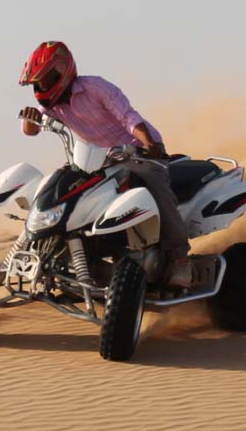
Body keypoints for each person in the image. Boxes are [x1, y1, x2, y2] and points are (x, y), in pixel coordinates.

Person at [16, 41, 196, 288]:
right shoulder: (54, 105)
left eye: (45, 81)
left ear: (62, 73)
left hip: (139, 154)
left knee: (156, 189)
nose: (41, 87)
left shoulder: (95, 88)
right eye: (37, 83)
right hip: (98, 161)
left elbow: (128, 117)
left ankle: (180, 260)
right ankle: (74, 255)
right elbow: (31, 130)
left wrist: (150, 144)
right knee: (64, 189)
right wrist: (30, 120)